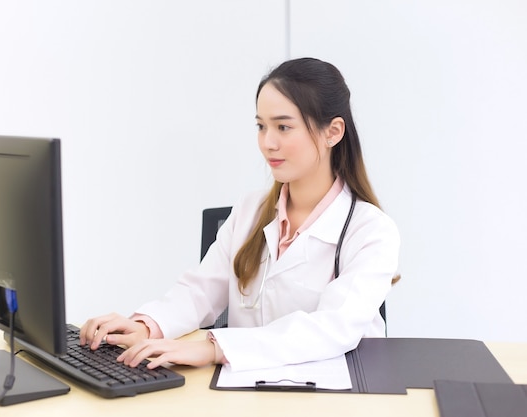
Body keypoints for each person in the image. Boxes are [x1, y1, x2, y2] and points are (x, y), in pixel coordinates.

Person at [80, 57, 400, 372]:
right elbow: (201, 291)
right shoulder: (250, 210)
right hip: (246, 395)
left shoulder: (371, 230)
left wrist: (213, 349)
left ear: (333, 132)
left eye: (283, 127)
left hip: (336, 399)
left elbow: (333, 327)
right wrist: (147, 326)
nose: (267, 143)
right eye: (261, 126)